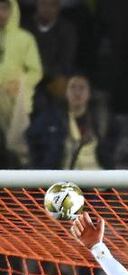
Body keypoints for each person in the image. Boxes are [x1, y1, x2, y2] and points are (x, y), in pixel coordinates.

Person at [25, 73, 115, 170]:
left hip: (97, 178)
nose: (77, 93)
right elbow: (31, 136)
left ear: (89, 93)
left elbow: (110, 148)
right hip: (65, 179)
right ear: (66, 93)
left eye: (82, 88)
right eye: (72, 87)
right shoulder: (52, 118)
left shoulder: (100, 120)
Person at [0, 0, 43, 162]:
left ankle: (20, 161)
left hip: (16, 93)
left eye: (4, 8)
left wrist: (20, 83)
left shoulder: (25, 38)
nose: (0, 13)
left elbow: (36, 71)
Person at [24, 0, 76, 100]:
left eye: (52, 5)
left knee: (62, 84)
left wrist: (45, 71)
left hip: (52, 76)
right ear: (37, 5)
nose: (47, 9)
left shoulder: (67, 29)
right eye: (43, 4)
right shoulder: (25, 26)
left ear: (58, 8)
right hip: (28, 75)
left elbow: (65, 61)